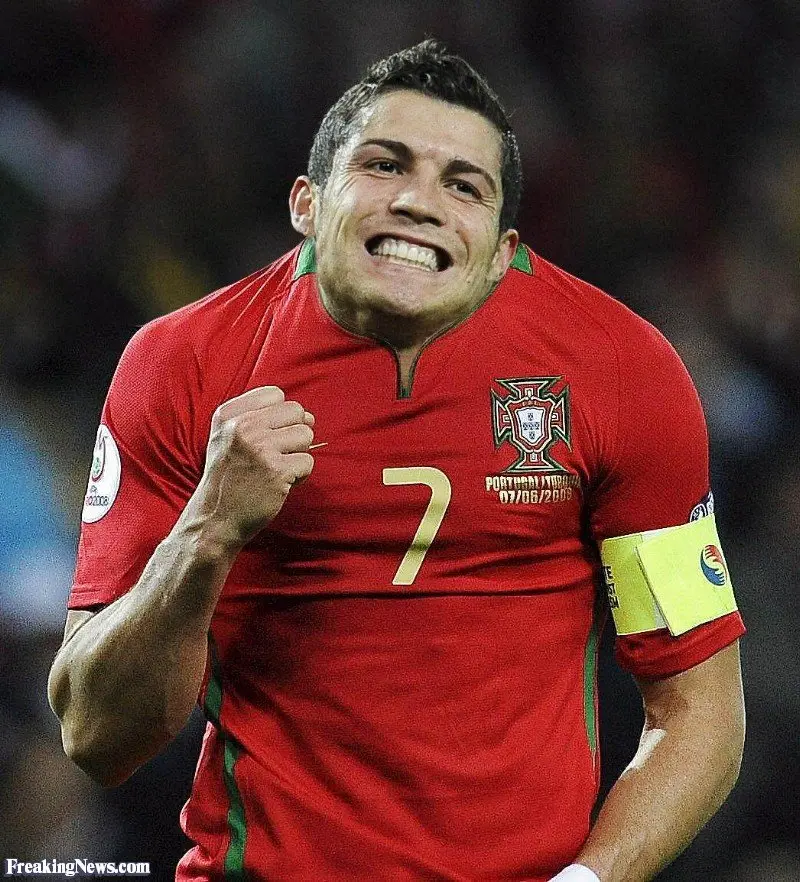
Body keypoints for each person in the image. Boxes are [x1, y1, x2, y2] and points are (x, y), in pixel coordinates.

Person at [48, 40, 745, 882]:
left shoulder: (621, 372)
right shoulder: (184, 364)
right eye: (385, 165)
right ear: (307, 202)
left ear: (503, 247)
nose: (420, 203)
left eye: (464, 186)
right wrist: (205, 533)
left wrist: (589, 880)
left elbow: (697, 709)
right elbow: (97, 737)